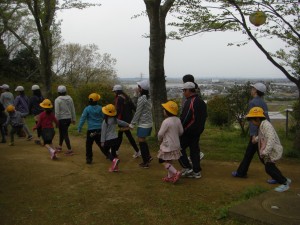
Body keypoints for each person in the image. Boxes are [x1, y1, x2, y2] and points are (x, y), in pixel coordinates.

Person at [245, 107, 291, 192]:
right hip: (270, 150)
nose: (251, 122)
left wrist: (265, 152)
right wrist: (255, 140)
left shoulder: (266, 125)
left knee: (269, 168)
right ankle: (284, 179)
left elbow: (271, 139)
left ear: (257, 118)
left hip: (273, 150)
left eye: (252, 120)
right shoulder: (262, 125)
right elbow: (263, 136)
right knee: (271, 167)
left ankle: (284, 183)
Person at [232, 83, 271, 180]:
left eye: (253, 88)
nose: (251, 89)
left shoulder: (253, 102)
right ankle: (241, 172)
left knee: (263, 156)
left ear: (256, 91)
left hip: (257, 133)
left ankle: (277, 175)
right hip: (263, 130)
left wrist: (253, 135)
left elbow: (253, 121)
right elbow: (267, 118)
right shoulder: (263, 102)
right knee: (249, 153)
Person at [179, 82, 207, 178]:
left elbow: (185, 118)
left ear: (188, 90)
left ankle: (187, 167)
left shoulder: (190, 101)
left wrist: (180, 129)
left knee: (178, 148)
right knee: (194, 150)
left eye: (184, 90)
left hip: (188, 131)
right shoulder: (201, 101)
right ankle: (196, 171)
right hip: (198, 131)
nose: (183, 92)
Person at [157, 100, 183, 183]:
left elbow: (160, 134)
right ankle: (169, 177)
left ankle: (176, 172)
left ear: (167, 111)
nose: (163, 110)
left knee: (161, 160)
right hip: (176, 144)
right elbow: (181, 132)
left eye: (164, 109)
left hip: (167, 145)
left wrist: (159, 139)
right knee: (169, 161)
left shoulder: (166, 121)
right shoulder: (178, 120)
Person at [129, 80, 153, 168]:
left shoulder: (142, 98)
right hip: (149, 122)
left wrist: (132, 123)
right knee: (143, 140)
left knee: (141, 141)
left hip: (143, 123)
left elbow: (138, 112)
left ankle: (145, 162)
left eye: (138, 87)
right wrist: (136, 94)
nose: (137, 88)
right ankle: (148, 157)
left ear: (141, 88)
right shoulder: (148, 97)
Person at [112, 84, 140, 158]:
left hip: (122, 120)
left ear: (117, 91)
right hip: (128, 119)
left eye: (114, 91)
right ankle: (116, 150)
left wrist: (113, 117)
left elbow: (117, 109)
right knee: (121, 135)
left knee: (127, 135)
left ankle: (137, 151)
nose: (114, 93)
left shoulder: (118, 98)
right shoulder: (127, 97)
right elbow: (134, 107)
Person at [182, 74, 205, 161]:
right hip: (197, 121)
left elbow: (187, 104)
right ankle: (195, 157)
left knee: (186, 143)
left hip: (190, 118)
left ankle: (196, 156)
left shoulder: (190, 91)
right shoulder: (196, 89)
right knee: (194, 142)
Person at [78, 93, 105, 164]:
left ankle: (89, 159)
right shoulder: (101, 108)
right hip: (99, 130)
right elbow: (104, 117)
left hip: (91, 131)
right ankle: (109, 155)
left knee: (89, 144)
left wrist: (79, 128)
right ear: (97, 100)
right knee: (100, 143)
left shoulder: (87, 109)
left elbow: (82, 119)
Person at [101, 104, 129, 172]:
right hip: (115, 138)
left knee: (105, 151)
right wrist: (128, 124)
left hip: (108, 139)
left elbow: (103, 132)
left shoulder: (105, 121)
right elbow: (121, 122)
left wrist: (102, 141)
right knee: (113, 153)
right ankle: (115, 168)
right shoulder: (114, 119)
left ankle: (114, 160)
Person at [54, 85, 76, 156]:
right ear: (65, 91)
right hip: (68, 118)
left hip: (61, 119)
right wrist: (73, 119)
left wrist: (56, 121)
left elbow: (57, 112)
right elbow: (73, 109)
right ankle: (60, 146)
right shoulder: (70, 99)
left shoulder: (57, 100)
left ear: (58, 92)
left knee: (64, 134)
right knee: (62, 133)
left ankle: (70, 150)